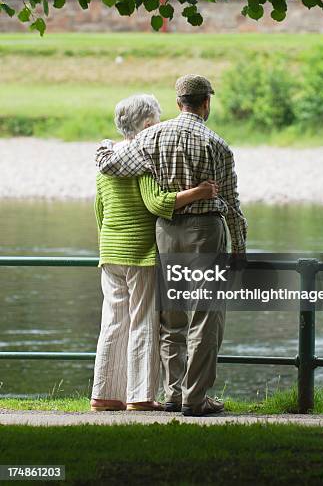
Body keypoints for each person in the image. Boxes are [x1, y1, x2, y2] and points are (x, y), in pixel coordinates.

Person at [95, 74, 247, 417]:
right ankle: (196, 399)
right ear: (206, 102)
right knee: (206, 315)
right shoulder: (218, 145)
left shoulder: (152, 136)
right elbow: (233, 206)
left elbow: (109, 164)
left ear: (179, 103)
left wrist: (105, 145)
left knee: (172, 316)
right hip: (206, 231)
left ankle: (174, 393)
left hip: (166, 231)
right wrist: (239, 249)